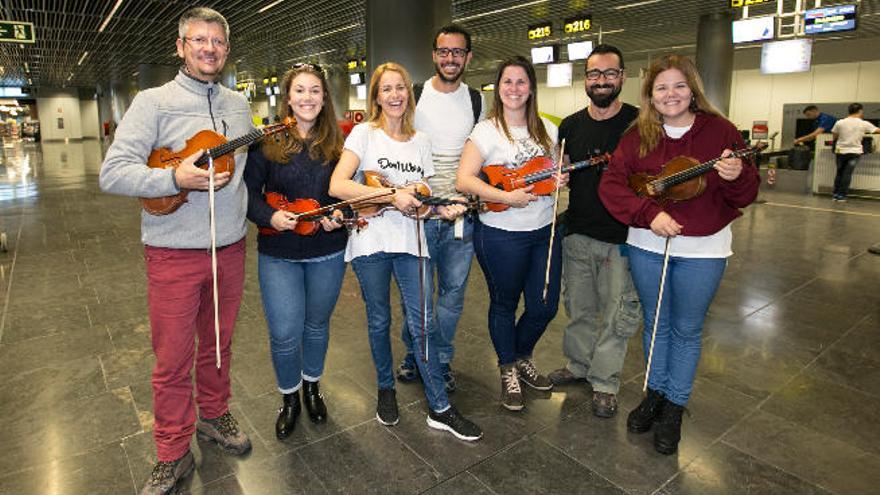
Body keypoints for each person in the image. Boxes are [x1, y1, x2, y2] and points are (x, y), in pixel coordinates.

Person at [99, 7, 253, 494]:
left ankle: (214, 414)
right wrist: (173, 177)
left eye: (218, 41)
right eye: (199, 40)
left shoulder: (239, 105)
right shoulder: (152, 102)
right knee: (171, 358)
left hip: (228, 246)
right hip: (172, 253)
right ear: (181, 46)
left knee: (218, 343)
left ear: (227, 50)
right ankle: (171, 452)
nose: (209, 48)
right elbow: (113, 172)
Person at [598, 54, 759, 455]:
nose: (671, 94)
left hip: (705, 249)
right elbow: (613, 186)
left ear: (693, 90)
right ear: (651, 96)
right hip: (648, 245)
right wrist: (649, 214)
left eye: (679, 86)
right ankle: (653, 394)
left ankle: (674, 406)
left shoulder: (719, 131)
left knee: (686, 329)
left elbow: (746, 193)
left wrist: (737, 175)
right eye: (661, 88)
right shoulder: (638, 135)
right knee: (655, 324)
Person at [328, 62, 482, 442]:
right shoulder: (364, 134)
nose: (395, 95)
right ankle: (386, 388)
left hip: (412, 241)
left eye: (400, 88)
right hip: (370, 242)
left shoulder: (421, 142)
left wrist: (436, 208)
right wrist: (388, 195)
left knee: (424, 322)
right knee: (379, 320)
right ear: (377, 96)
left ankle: (440, 407)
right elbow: (337, 185)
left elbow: (421, 200)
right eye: (387, 89)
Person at [243, 63, 347, 440]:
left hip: (328, 250)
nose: (307, 98)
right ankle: (289, 398)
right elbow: (248, 194)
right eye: (300, 91)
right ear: (288, 97)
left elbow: (348, 193)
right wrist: (271, 214)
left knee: (317, 326)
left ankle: (312, 387)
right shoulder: (264, 141)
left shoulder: (339, 143)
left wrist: (341, 214)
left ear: (324, 97)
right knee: (285, 332)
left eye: (315, 91)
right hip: (278, 252)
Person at [457, 56, 566, 411]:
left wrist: (561, 178)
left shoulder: (548, 131)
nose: (514, 89)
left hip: (543, 231)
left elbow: (552, 174)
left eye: (521, 82)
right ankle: (508, 367)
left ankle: (521, 355)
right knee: (504, 304)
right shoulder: (486, 130)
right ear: (498, 88)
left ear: (531, 87)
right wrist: (506, 197)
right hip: (501, 234)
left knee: (544, 306)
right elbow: (465, 180)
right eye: (508, 82)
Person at [547, 44, 642, 419]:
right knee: (580, 308)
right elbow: (564, 171)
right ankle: (578, 366)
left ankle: (605, 381)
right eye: (594, 74)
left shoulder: (639, 123)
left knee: (618, 314)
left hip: (621, 236)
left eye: (609, 74)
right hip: (579, 232)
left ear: (622, 77)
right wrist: (560, 174)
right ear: (585, 79)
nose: (601, 81)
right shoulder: (570, 125)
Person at [396, 24, 483, 392]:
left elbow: (483, 154)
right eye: (444, 51)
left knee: (452, 294)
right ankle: (416, 350)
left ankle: (439, 358)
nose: (450, 58)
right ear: (433, 55)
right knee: (418, 294)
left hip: (461, 215)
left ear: (468, 57)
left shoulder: (477, 100)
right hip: (420, 214)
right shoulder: (415, 96)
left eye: (457, 52)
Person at [830, 103, 880, 202]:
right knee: (847, 174)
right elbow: (877, 131)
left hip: (840, 151)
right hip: (854, 152)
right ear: (860, 111)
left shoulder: (840, 122)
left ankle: (835, 194)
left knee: (839, 172)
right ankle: (842, 196)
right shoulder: (864, 123)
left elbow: (834, 136)